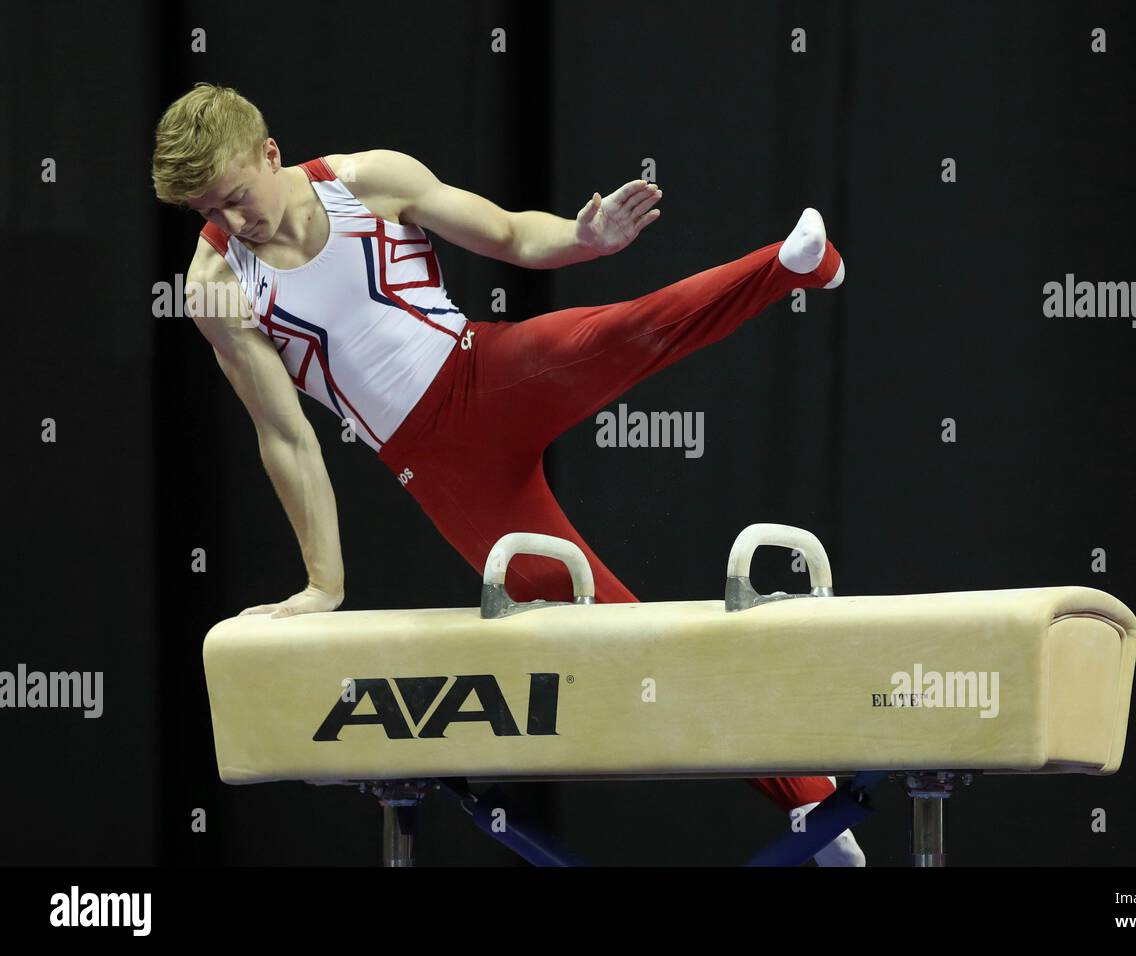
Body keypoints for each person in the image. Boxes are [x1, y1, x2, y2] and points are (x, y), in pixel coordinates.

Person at [153, 82, 862, 866]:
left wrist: (585, 239)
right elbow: (285, 438)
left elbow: (513, 237)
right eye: (210, 213)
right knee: (632, 644)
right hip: (443, 472)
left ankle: (794, 265)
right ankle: (816, 804)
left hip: (487, 372)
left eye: (237, 197)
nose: (233, 223)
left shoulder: (369, 182)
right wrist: (324, 584)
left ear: (270, 154)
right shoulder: (215, 291)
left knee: (630, 330)